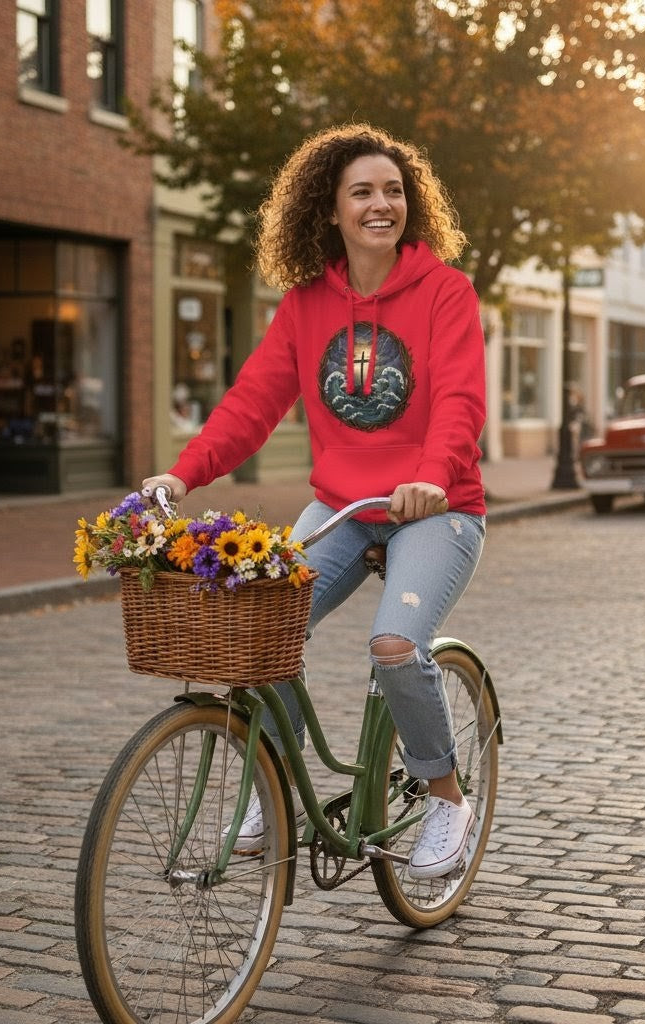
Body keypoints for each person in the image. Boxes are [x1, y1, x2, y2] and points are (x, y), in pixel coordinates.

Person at [142, 123, 487, 880]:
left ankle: (445, 795)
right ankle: (277, 791)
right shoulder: (306, 305)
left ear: (410, 203)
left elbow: (461, 400)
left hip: (437, 508)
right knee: (256, 629)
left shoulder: (445, 293)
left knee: (395, 646)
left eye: (394, 191)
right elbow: (251, 404)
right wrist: (182, 473)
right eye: (362, 192)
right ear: (329, 210)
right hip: (342, 506)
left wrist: (432, 473)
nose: (380, 204)